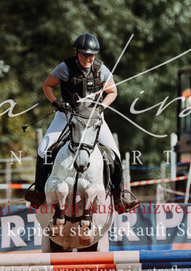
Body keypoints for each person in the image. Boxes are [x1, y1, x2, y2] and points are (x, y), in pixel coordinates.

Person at [25, 33, 139, 213]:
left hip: (93, 119)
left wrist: (101, 107)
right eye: (84, 54)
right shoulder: (65, 68)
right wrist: (56, 102)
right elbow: (47, 85)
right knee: (43, 149)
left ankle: (120, 198)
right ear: (76, 53)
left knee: (115, 154)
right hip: (66, 116)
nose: (88, 58)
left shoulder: (101, 69)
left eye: (92, 55)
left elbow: (113, 92)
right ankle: (39, 192)